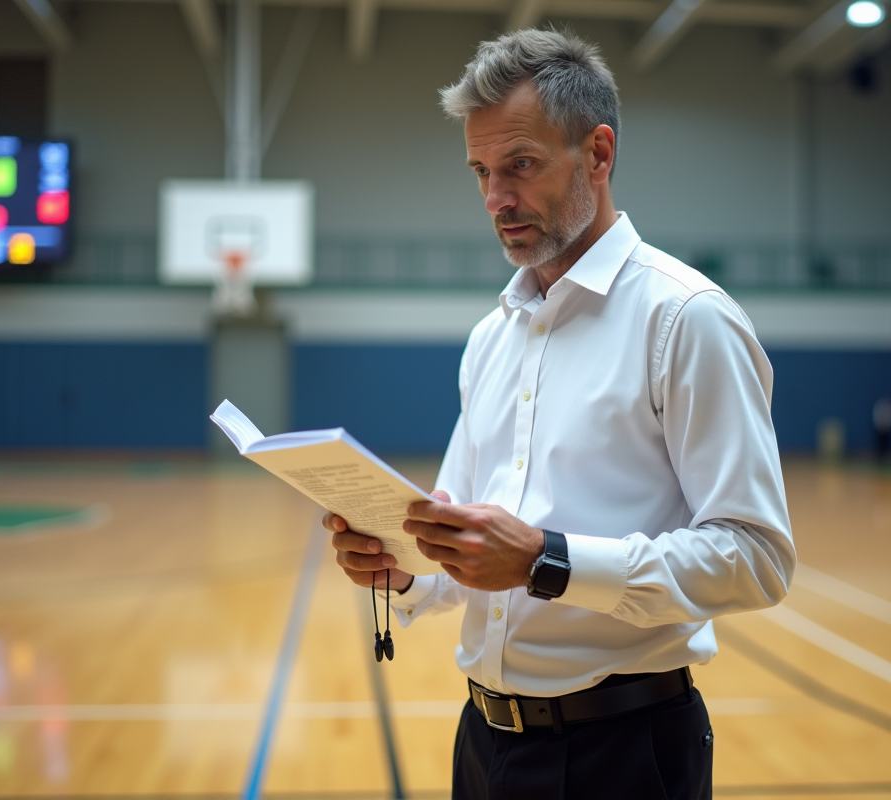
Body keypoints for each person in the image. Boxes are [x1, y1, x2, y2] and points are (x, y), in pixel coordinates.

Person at [323, 29, 795, 800]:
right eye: (481, 171)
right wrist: (400, 569)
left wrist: (550, 560)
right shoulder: (491, 338)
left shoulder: (686, 320)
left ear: (598, 155)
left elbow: (756, 558)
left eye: (520, 166)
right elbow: (467, 549)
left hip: (625, 752)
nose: (495, 199)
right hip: (484, 745)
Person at [872, 398, 891, 463]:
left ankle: (886, 458)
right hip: (880, 429)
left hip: (887, 430)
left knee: (887, 446)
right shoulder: (880, 407)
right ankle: (879, 458)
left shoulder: (888, 408)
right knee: (880, 446)